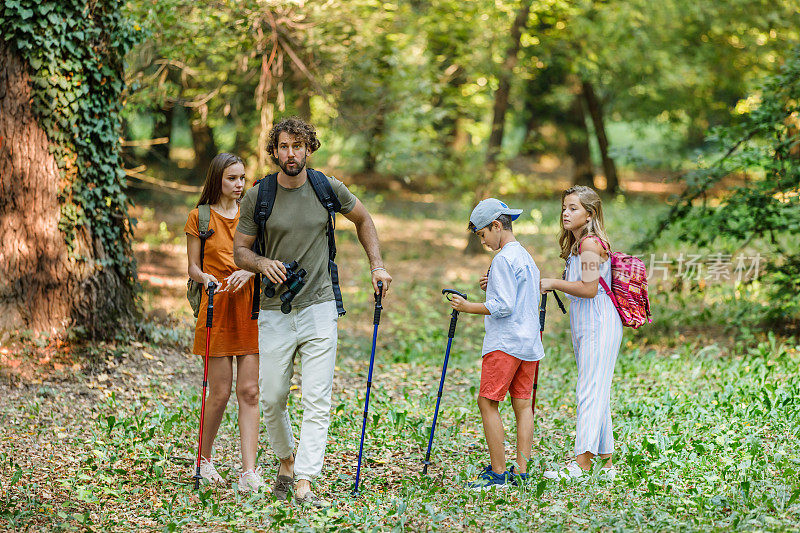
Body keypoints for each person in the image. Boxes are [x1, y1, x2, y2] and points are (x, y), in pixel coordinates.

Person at [233, 117, 392, 507]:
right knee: (270, 396)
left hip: (320, 304)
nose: (291, 153)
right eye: (284, 146)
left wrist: (377, 265)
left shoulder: (326, 188)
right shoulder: (260, 195)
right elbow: (240, 250)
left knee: (317, 398)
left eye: (298, 146)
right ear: (274, 151)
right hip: (274, 308)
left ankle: (304, 479)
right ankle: (286, 459)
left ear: (309, 149)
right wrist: (259, 264)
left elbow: (363, 219)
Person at [448, 198, 545, 489]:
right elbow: (519, 295)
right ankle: (522, 470)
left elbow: (502, 307)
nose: (483, 242)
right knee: (523, 405)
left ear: (496, 226)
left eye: (483, 235)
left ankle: (499, 472)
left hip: (505, 343)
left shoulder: (502, 258)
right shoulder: (524, 256)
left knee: (487, 401)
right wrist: (493, 286)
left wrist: (467, 306)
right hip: (529, 342)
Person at [184, 152, 266, 492]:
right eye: (232, 178)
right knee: (218, 392)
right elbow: (192, 268)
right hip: (216, 306)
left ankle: (249, 472)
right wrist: (206, 279)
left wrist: (250, 270)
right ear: (217, 179)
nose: (239, 184)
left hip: (249, 308)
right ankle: (202, 462)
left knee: (249, 391)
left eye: (243, 178)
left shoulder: (254, 215)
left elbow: (261, 257)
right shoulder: (200, 217)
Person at [540, 185, 622, 480]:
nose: (565, 213)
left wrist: (553, 283)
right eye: (564, 207)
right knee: (596, 389)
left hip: (599, 322)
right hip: (587, 322)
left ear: (589, 214)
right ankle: (607, 464)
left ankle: (581, 464)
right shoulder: (578, 246)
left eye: (573, 208)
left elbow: (588, 288)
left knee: (589, 390)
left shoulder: (589, 245)